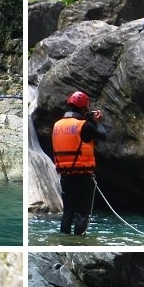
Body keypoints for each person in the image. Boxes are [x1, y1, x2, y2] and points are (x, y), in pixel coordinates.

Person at [51, 90, 106, 235]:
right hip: (82, 176)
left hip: (65, 176)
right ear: (83, 109)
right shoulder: (85, 126)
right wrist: (97, 122)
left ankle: (64, 241)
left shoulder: (57, 125)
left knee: (68, 213)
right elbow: (102, 136)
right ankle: (78, 242)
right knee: (82, 214)